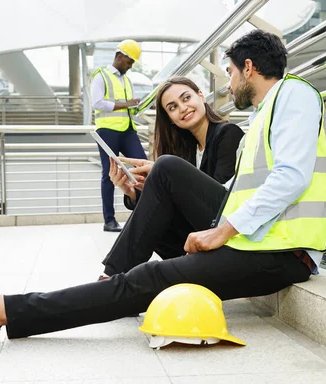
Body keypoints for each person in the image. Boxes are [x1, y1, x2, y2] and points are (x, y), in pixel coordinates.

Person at [0, 29, 326, 342]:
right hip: (257, 245)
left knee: (146, 277)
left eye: (228, 72)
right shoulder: (266, 111)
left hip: (281, 252)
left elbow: (291, 178)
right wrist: (145, 187)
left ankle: (2, 310)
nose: (227, 84)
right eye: (170, 107)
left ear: (248, 67)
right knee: (162, 188)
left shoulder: (293, 94)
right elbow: (233, 190)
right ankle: (105, 285)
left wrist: (222, 230)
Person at [99, 76, 244, 280]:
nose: (183, 108)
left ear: (201, 96)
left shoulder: (228, 134)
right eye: (173, 107)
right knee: (156, 213)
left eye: (186, 98)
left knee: (165, 165)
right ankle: (119, 277)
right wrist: (132, 191)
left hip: (225, 230)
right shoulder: (188, 150)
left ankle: (113, 276)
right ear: (170, 118)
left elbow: (220, 198)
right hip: (196, 239)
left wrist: (163, 170)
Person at [91, 39, 148, 233]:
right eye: (129, 62)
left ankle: (146, 213)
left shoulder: (126, 79)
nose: (130, 66)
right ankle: (109, 220)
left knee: (144, 166)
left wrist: (138, 105)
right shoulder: (101, 76)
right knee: (109, 174)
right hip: (107, 131)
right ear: (120, 56)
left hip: (127, 129)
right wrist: (127, 104)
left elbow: (127, 106)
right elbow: (97, 103)